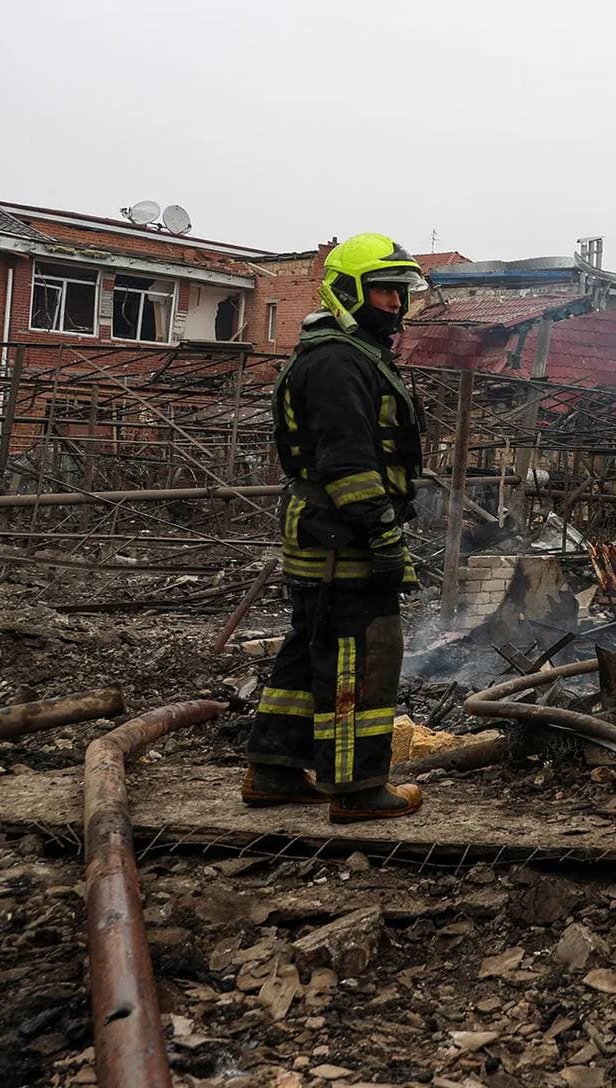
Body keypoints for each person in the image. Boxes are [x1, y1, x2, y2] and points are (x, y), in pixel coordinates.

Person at [243, 234, 428, 822]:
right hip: (340, 536)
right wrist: (382, 537)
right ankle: (357, 787)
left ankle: (273, 769)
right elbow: (348, 463)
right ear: (348, 291)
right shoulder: (337, 362)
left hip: (325, 531)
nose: (394, 306)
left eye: (400, 294)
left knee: (312, 646)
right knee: (359, 655)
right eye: (383, 292)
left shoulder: (345, 354)